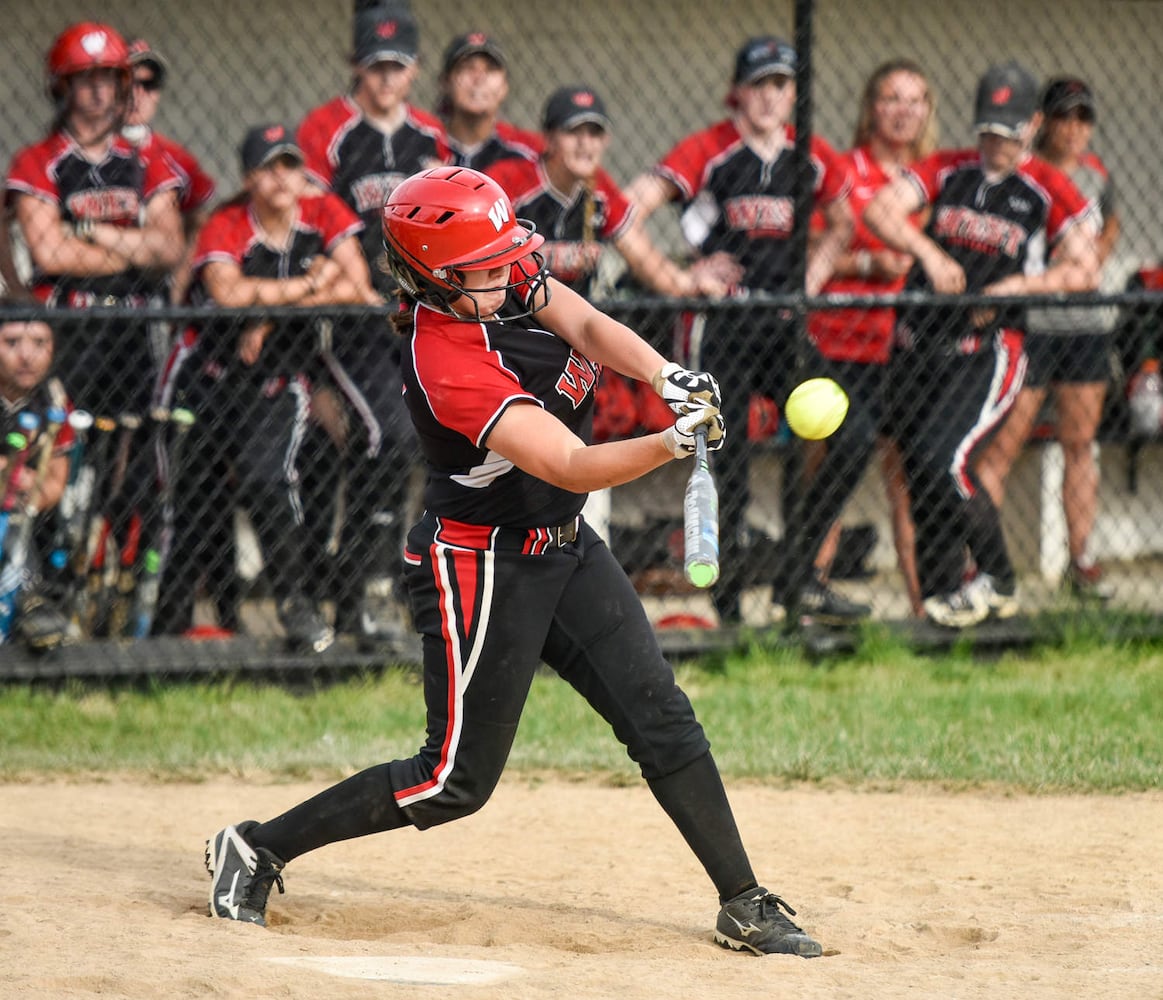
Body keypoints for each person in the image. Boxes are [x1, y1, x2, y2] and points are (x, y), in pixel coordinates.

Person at [204, 166, 824, 959]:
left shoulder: (502, 275)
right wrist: (672, 443)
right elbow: (566, 462)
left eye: (505, 257)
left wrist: (665, 376)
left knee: (661, 717)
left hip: (562, 545)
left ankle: (743, 900)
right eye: (482, 268)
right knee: (451, 780)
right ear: (433, 276)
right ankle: (257, 847)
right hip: (479, 564)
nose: (507, 272)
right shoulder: (446, 360)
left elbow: (589, 325)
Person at [626, 36, 853, 625]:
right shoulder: (711, 149)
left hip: (782, 325)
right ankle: (728, 608)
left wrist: (813, 275)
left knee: (851, 437)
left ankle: (796, 577)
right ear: (738, 92)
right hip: (723, 327)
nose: (770, 97)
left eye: (781, 85)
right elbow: (628, 207)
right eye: (759, 85)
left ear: (795, 94)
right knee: (727, 461)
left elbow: (846, 221)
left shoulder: (811, 155)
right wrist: (679, 277)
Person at [864, 62, 1100, 627]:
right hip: (923, 346)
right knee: (921, 471)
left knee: (948, 460)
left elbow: (1086, 267)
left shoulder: (1046, 186)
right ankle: (945, 599)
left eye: (1010, 131)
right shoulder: (948, 169)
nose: (998, 143)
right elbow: (878, 210)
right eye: (989, 131)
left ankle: (997, 577)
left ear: (1033, 125)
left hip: (991, 347)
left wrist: (1024, 283)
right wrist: (930, 254)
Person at [157, 125, 373, 650]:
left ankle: (294, 602)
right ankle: (170, 627)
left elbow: (360, 287)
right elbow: (227, 292)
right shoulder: (228, 222)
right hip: (208, 378)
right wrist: (308, 284)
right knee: (191, 503)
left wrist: (270, 317)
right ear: (249, 178)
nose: (282, 178)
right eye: (269, 167)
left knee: (265, 479)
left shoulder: (321, 214)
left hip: (276, 381)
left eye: (291, 166)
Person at [296, 2, 449, 645]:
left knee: (404, 442)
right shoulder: (327, 130)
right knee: (381, 438)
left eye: (397, 67)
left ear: (413, 71)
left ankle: (362, 585)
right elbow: (305, 218)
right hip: (350, 320)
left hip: (414, 315)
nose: (386, 79)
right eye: (375, 66)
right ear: (355, 66)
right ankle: (343, 586)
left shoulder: (429, 137)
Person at [794, 59, 938, 621]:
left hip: (903, 350)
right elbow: (811, 251)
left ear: (927, 110)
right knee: (826, 466)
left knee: (906, 478)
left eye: (914, 99)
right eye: (890, 99)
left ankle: (923, 609)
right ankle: (809, 591)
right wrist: (867, 260)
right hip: (836, 343)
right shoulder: (843, 169)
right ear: (870, 108)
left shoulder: (932, 178)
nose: (902, 111)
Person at [975, 76, 1120, 601]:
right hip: (1031, 323)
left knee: (1080, 443)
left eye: (1083, 118)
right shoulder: (1023, 173)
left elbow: (1104, 240)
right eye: (1064, 117)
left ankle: (1080, 560)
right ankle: (983, 566)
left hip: (1084, 324)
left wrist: (1081, 255)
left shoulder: (1097, 176)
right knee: (1000, 448)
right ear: (1041, 122)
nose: (1074, 129)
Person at [487, 85, 737, 302]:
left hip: (572, 329)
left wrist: (689, 282)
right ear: (549, 138)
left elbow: (642, 257)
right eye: (574, 132)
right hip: (512, 321)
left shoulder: (600, 189)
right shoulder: (509, 182)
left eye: (595, 133)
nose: (586, 143)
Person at [121, 38, 218, 303]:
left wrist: (179, 285)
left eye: (148, 84)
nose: (136, 94)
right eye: (126, 82)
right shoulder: (73, 151)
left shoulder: (174, 157)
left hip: (147, 292)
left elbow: (200, 220)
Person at [0, 315, 75, 651]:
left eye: (40, 344)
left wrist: (30, 494)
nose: (26, 356)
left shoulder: (55, 400)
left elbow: (55, 482)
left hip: (20, 516)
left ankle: (30, 604)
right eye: (12, 343)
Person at [437, 31, 540, 172]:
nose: (479, 78)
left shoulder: (527, 155)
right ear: (446, 81)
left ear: (504, 86)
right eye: (467, 67)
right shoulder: (424, 144)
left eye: (491, 69)